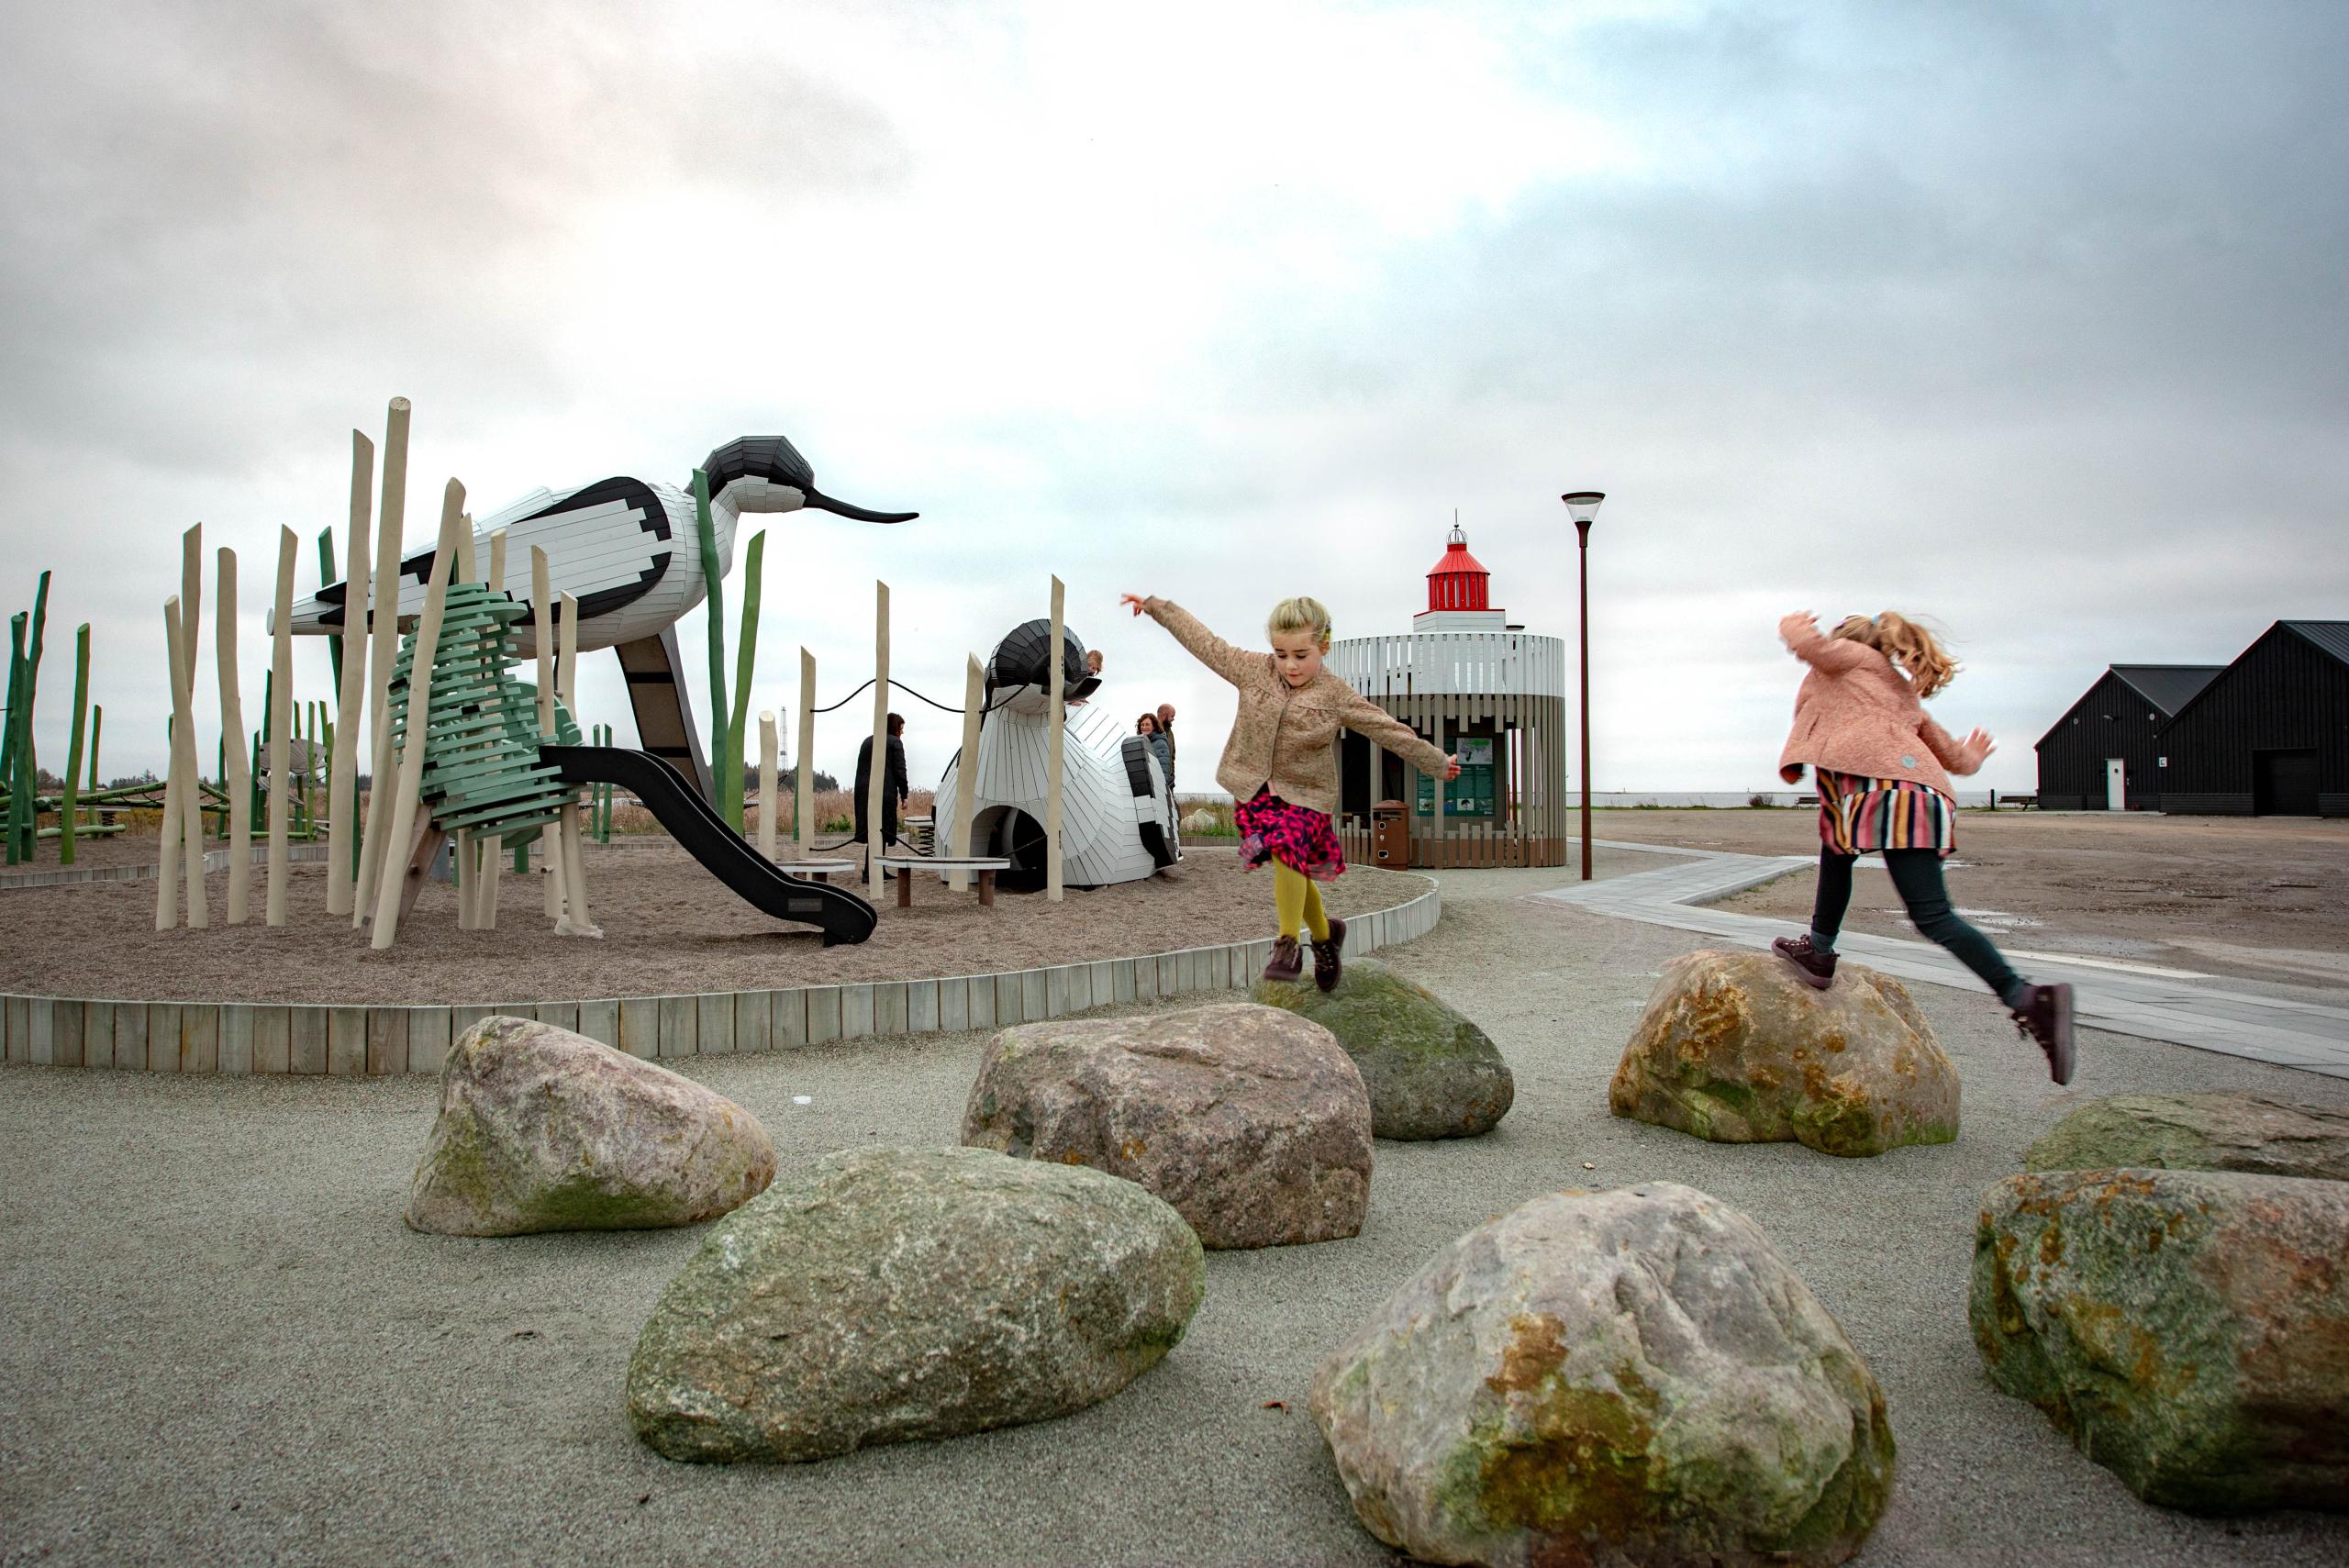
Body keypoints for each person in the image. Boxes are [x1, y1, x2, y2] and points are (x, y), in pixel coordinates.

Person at [1771, 610, 2076, 1083]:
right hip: (1923, 795)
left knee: (1922, 909)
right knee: (1840, 850)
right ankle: (1819, 950)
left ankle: (2026, 997)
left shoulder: (1850, 659)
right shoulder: (1899, 689)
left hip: (1882, 792)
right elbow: (1953, 756)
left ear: (1849, 642)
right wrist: (1971, 757)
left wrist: (1793, 626)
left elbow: (1811, 648)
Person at [1124, 591, 1458, 991]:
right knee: (1292, 867)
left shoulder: (1335, 695)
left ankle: (1287, 944)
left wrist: (1437, 761)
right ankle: (1324, 935)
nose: (1290, 664)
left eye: (1301, 654)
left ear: (1324, 646)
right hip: (1258, 792)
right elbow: (1205, 642)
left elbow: (1386, 729)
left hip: (1308, 795)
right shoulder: (1253, 670)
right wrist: (1159, 608)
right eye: (1281, 653)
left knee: (1287, 853)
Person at [853, 713, 910, 879]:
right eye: (901, 728)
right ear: (895, 727)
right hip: (885, 793)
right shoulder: (895, 743)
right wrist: (904, 794)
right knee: (882, 831)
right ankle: (872, 870)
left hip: (864, 793)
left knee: (874, 831)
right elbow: (900, 770)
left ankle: (874, 869)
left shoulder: (867, 741)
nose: (902, 732)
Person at [1155, 703, 1176, 791]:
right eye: (1172, 716)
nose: (1173, 719)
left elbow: (1172, 758)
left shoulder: (1170, 733)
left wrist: (1172, 776)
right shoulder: (1150, 731)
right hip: (1156, 782)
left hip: (1169, 782)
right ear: (1164, 715)